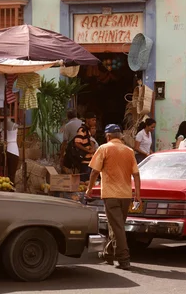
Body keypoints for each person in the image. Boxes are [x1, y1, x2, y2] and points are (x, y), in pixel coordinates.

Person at [86, 124, 141, 271]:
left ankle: (124, 259)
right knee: (116, 226)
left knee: (117, 227)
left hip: (111, 194)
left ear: (108, 136)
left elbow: (94, 172)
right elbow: (136, 174)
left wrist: (89, 189)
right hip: (126, 195)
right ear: (120, 136)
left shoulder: (104, 148)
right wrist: (138, 195)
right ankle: (108, 253)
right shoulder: (129, 151)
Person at [72, 112, 97, 179]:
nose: (94, 122)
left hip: (89, 161)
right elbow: (77, 143)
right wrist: (88, 151)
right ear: (87, 120)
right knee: (85, 180)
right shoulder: (82, 130)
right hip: (84, 161)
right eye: (93, 120)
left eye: (95, 120)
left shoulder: (88, 131)